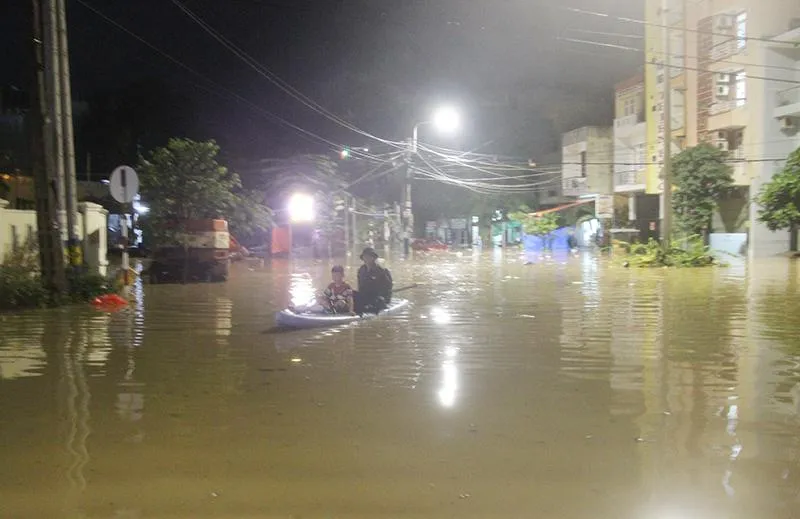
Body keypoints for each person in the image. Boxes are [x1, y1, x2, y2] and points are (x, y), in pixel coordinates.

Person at [355, 247, 392, 314]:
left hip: (377, 297)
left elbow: (387, 288)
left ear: (373, 258)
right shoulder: (361, 270)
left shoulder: (381, 271)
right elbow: (360, 286)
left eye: (369, 256)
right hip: (365, 295)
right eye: (365, 257)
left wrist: (383, 296)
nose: (366, 258)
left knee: (379, 301)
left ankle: (370, 308)